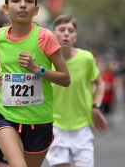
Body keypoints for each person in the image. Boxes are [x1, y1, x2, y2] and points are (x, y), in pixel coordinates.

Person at [0, 0, 71, 167]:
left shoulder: (45, 37)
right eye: (16, 0)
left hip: (39, 121)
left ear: (36, 9)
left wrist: (38, 70)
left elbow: (65, 78)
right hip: (5, 114)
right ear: (6, 9)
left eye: (29, 1)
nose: (23, 5)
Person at [45, 14, 108, 167]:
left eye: (70, 30)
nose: (66, 33)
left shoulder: (86, 58)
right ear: (53, 34)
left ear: (75, 36)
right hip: (54, 125)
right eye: (62, 29)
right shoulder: (45, 61)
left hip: (82, 126)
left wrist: (96, 107)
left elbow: (100, 84)